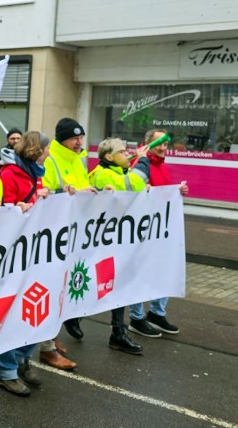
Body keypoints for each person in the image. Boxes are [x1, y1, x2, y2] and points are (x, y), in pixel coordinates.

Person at [0, 131, 58, 397]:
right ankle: (5, 371)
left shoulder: (35, 173)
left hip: (33, 252)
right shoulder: (10, 174)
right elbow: (5, 210)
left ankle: (21, 359)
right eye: (46, 148)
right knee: (11, 313)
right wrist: (23, 206)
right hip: (15, 255)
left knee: (34, 310)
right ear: (36, 150)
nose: (49, 152)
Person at [88, 137, 146, 355]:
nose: (127, 154)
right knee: (95, 284)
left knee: (118, 284)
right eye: (122, 151)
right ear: (109, 157)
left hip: (117, 239)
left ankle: (118, 333)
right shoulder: (103, 174)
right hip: (102, 241)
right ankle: (73, 318)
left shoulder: (119, 172)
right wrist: (143, 162)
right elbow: (133, 185)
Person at [42, 117, 97, 342]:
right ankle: (49, 340)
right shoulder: (50, 160)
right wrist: (72, 193)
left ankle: (71, 317)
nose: (79, 142)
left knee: (76, 275)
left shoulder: (78, 160)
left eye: (81, 137)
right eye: (74, 138)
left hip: (78, 229)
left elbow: (83, 188)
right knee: (55, 282)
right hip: (58, 231)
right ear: (63, 139)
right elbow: (45, 193)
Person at [129, 129, 188, 337]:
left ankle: (157, 313)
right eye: (160, 144)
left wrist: (177, 191)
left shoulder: (161, 166)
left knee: (165, 268)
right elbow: (133, 190)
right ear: (147, 144)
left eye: (166, 144)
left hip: (161, 229)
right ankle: (136, 317)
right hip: (143, 230)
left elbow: (163, 192)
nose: (164, 148)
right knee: (141, 271)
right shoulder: (139, 164)